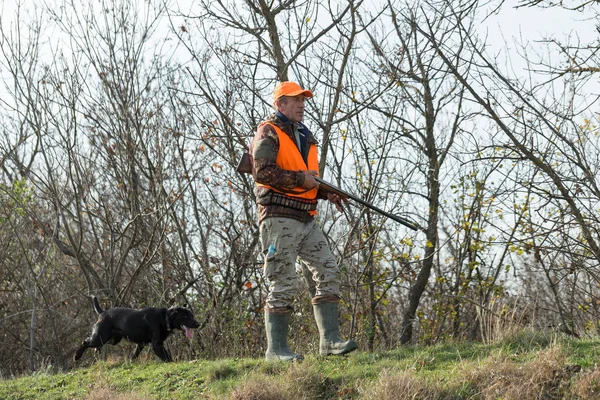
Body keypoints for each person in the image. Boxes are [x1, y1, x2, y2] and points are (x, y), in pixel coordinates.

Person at [249, 81, 358, 361]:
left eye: (303, 100)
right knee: (283, 281)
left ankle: (330, 342)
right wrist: (302, 180)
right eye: (295, 100)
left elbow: (307, 179)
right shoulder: (268, 131)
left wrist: (326, 192)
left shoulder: (305, 135)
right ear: (280, 104)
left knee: (329, 270)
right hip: (279, 217)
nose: (301, 105)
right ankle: (276, 351)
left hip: (307, 217)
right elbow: (263, 173)